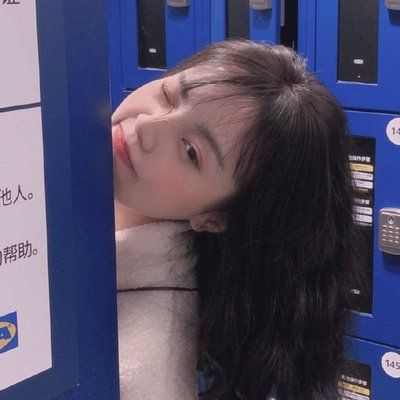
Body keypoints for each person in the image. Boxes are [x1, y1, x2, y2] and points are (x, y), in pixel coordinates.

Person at [111, 39, 366, 400]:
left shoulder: (141, 371)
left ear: (215, 218)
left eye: (191, 152)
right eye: (168, 95)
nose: (147, 126)